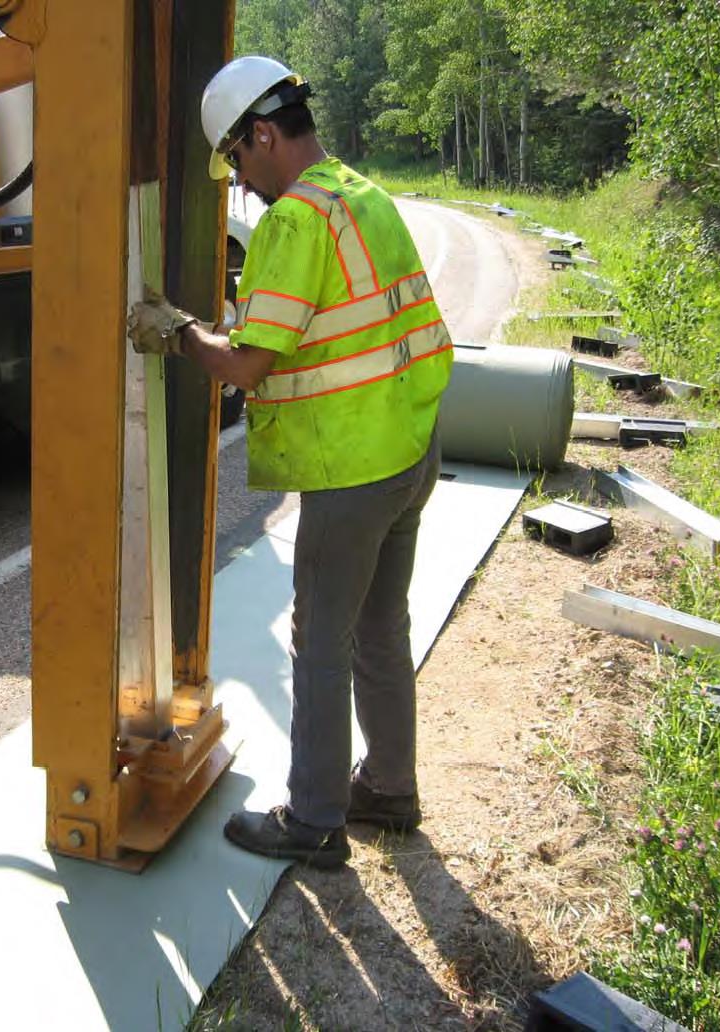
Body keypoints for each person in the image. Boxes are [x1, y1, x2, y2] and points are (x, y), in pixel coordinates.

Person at [127, 56, 454, 870]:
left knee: (319, 638)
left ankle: (313, 820)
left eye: (236, 160)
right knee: (382, 625)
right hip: (411, 444)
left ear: (263, 135)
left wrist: (175, 331)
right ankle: (389, 788)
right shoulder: (362, 195)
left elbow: (246, 366)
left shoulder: (296, 221)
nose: (239, 183)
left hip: (354, 465)